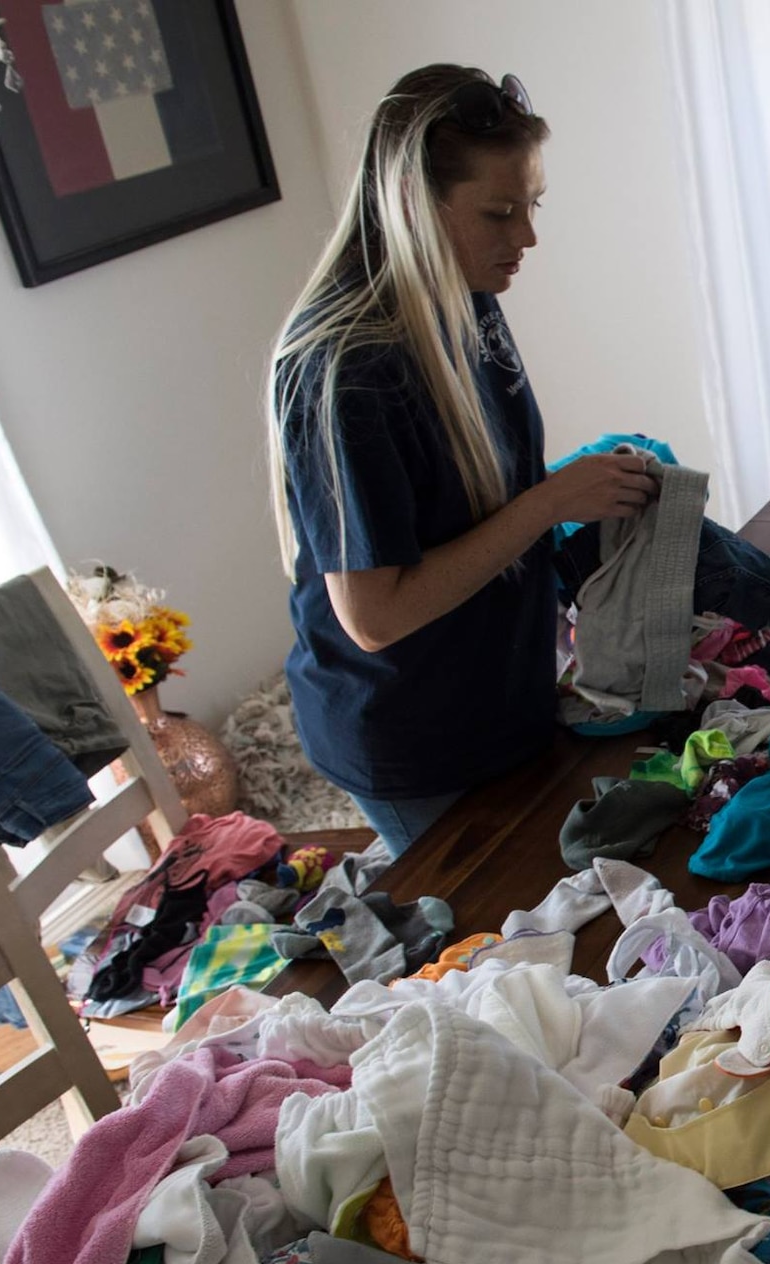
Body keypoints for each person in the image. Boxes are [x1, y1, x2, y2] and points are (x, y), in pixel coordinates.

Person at [265, 64, 656, 855]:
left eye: (533, 206)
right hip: (411, 733)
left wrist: (576, 500)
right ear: (415, 205)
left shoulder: (466, 293)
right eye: (500, 212)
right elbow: (374, 617)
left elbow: (484, 494)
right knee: (493, 940)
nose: (528, 237)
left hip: (499, 693)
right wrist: (548, 502)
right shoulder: (346, 368)